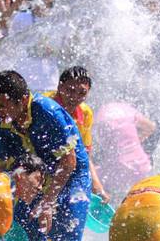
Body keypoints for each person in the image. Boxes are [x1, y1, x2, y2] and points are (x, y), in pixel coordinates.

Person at [0, 70, 91, 241]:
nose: (0, 112)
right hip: (35, 179)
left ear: (23, 99)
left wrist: (47, 203)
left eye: (5, 106)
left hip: (71, 179)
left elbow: (69, 163)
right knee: (18, 238)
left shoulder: (47, 112)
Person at [44, 66, 110, 202]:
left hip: (63, 168)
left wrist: (97, 186)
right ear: (60, 87)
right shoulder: (44, 105)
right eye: (70, 90)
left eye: (82, 93)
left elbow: (84, 153)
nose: (75, 97)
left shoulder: (85, 113)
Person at [93, 101, 156, 198]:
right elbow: (151, 127)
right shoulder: (129, 112)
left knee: (88, 176)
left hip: (116, 171)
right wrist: (135, 142)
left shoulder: (98, 118)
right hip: (143, 167)